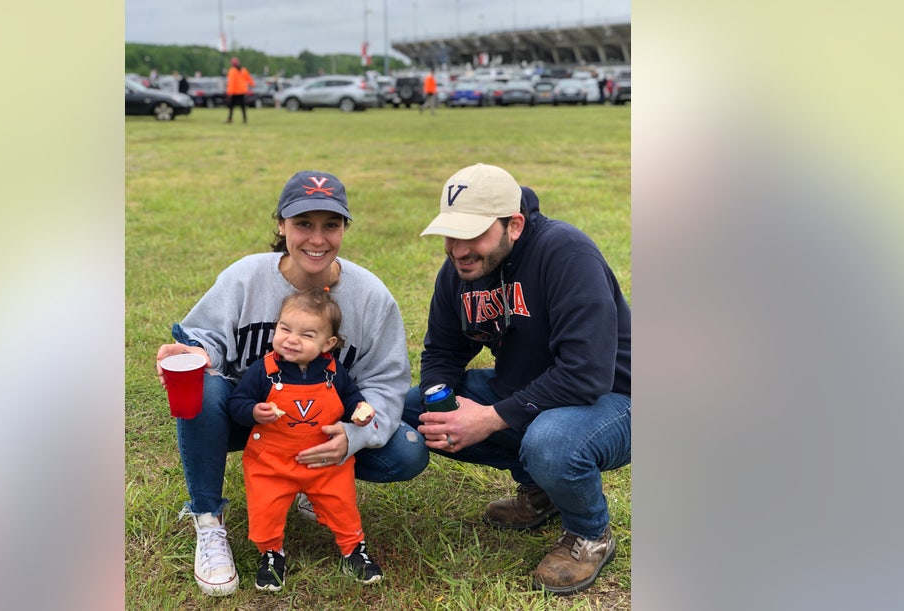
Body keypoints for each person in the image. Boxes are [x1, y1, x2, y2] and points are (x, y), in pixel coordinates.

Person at [156, 170, 427, 597]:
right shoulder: (246, 277)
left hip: (322, 430)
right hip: (250, 418)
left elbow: (387, 382)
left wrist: (356, 434)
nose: (317, 239)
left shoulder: (371, 296)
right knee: (204, 387)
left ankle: (310, 486)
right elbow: (203, 337)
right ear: (281, 226)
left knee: (406, 451)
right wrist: (196, 352)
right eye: (303, 224)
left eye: (330, 225)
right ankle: (208, 520)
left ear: (344, 229)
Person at [402, 163, 631, 596]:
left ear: (515, 225)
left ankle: (588, 534)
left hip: (616, 400)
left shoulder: (567, 255)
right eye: (450, 234)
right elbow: (444, 352)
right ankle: (540, 494)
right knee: (414, 408)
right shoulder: (459, 272)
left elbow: (586, 374)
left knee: (552, 442)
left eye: (472, 234)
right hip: (532, 392)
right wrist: (440, 402)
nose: (457, 249)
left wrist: (489, 418)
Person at [227, 289, 384, 591]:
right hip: (271, 461)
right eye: (285, 329)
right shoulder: (264, 370)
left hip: (325, 461)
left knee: (343, 504)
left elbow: (352, 398)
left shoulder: (334, 373)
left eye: (306, 334)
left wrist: (360, 411)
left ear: (328, 344)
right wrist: (253, 411)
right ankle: (271, 552)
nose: (291, 339)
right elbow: (237, 402)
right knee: (266, 507)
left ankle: (354, 549)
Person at [225, 56, 255, 124]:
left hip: (234, 92)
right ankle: (245, 120)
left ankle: (230, 119)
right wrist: (253, 84)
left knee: (231, 107)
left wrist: (229, 92)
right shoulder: (243, 70)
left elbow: (231, 82)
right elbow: (249, 78)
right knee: (243, 107)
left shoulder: (232, 71)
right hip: (242, 91)